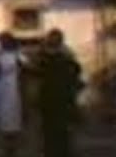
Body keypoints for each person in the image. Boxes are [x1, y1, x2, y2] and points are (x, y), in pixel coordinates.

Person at [35, 29, 82, 157]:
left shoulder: (65, 55)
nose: (52, 41)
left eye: (54, 38)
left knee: (60, 131)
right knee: (51, 131)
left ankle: (59, 152)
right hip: (50, 98)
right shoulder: (46, 55)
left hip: (59, 98)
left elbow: (76, 72)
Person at [0, 32, 25, 157]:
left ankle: (11, 147)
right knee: (4, 117)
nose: (2, 43)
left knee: (12, 117)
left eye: (3, 41)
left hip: (12, 89)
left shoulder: (17, 55)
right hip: (2, 89)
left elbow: (26, 68)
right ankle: (6, 147)